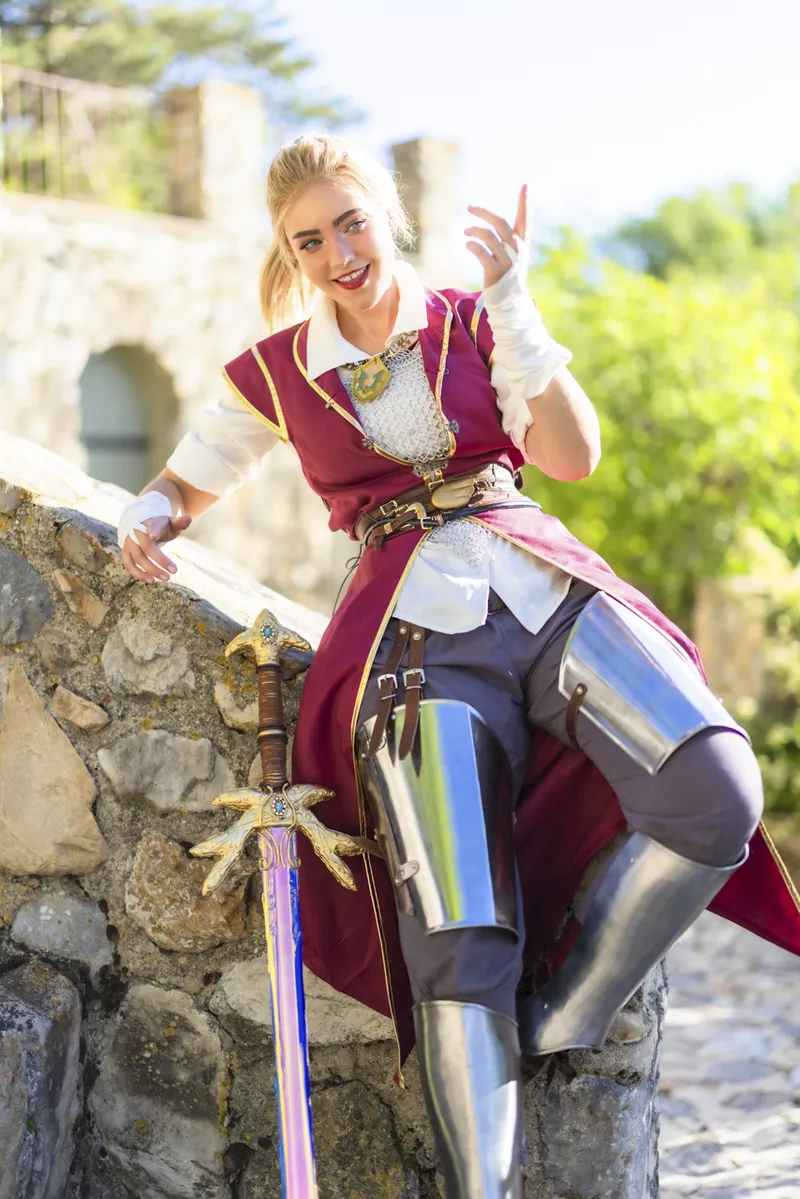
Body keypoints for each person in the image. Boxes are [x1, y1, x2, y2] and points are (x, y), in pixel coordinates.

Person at [117, 134, 800, 1199]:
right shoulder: (277, 373)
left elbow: (573, 456)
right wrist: (147, 512)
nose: (338, 252)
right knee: (454, 938)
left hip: (537, 578)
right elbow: (185, 480)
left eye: (350, 222)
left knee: (714, 787)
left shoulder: (477, 320)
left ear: (387, 215)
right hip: (411, 642)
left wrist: (513, 299)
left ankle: (558, 1013)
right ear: (289, 254)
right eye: (309, 240)